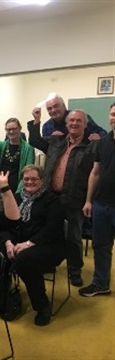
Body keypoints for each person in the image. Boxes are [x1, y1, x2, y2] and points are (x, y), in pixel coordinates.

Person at [28, 109, 96, 287]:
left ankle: (75, 271)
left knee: (74, 237)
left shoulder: (91, 147)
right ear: (66, 124)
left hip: (74, 199)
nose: (74, 124)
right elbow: (34, 140)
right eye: (71, 120)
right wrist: (36, 120)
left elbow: (95, 174)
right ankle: (48, 264)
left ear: (85, 125)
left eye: (78, 121)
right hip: (51, 197)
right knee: (49, 231)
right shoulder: (56, 141)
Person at [5, 165, 65, 326]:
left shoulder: (52, 200)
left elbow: (53, 229)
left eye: (34, 179)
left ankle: (42, 305)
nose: (29, 182)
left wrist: (28, 244)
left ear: (42, 181)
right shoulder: (16, 198)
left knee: (24, 261)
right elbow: (7, 224)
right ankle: (7, 298)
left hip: (49, 245)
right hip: (20, 244)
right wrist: (8, 242)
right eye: (26, 179)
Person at [80, 103, 115, 297]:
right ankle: (101, 283)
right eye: (112, 114)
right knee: (101, 246)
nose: (114, 118)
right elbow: (95, 173)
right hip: (102, 205)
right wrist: (88, 200)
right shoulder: (102, 143)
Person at [0, 118, 35, 193]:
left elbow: (28, 172)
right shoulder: (2, 145)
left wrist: (19, 191)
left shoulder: (28, 148)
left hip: (17, 188)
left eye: (14, 129)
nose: (11, 131)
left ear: (19, 129)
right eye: (8, 129)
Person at [36, 95, 107, 140]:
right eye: (49, 108)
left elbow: (102, 133)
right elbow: (46, 148)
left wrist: (98, 137)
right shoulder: (47, 126)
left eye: (56, 106)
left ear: (63, 106)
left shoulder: (80, 117)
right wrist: (52, 140)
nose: (53, 110)